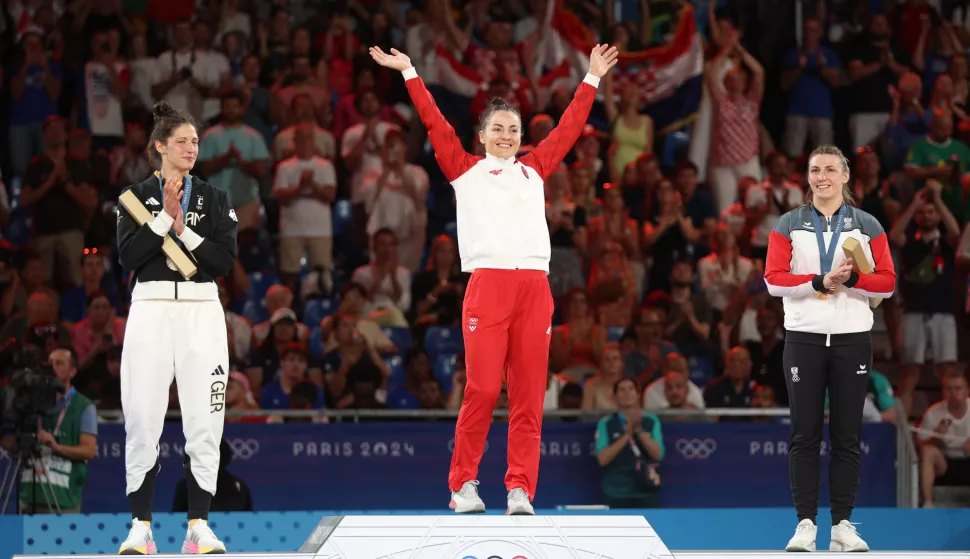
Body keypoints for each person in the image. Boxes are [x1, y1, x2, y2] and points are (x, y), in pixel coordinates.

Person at [369, 43, 618, 515]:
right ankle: (463, 484)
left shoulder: (535, 170)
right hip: (488, 286)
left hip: (534, 289)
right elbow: (434, 124)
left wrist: (591, 79)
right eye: (497, 129)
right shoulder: (465, 171)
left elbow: (567, 129)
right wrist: (410, 73)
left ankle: (519, 487)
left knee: (528, 395)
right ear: (482, 135)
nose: (506, 135)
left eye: (513, 130)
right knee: (482, 389)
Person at [115, 101, 238, 554]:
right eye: (182, 141)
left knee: (205, 420)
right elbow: (129, 258)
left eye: (196, 142)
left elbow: (223, 262)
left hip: (202, 311)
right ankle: (140, 527)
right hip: (149, 308)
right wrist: (165, 218)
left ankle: (198, 526)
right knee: (143, 417)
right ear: (160, 146)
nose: (191, 148)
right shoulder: (133, 198)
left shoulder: (215, 198)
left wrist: (184, 230)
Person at [763, 144, 896, 552]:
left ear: (845, 176)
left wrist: (852, 280)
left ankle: (842, 524)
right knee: (804, 434)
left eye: (830, 170)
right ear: (808, 177)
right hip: (803, 339)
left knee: (846, 435)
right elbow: (773, 280)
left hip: (852, 339)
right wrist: (820, 280)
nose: (822, 176)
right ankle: (806, 523)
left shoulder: (868, 225)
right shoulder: (788, 223)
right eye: (815, 170)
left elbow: (888, 282)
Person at [3, 347, 97, 514]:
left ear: (72, 372)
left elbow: (89, 451)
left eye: (59, 363)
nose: (52, 367)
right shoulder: (32, 401)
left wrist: (56, 446)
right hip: (28, 495)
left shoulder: (84, 406)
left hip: (63, 500)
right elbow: (20, 445)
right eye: (50, 363)